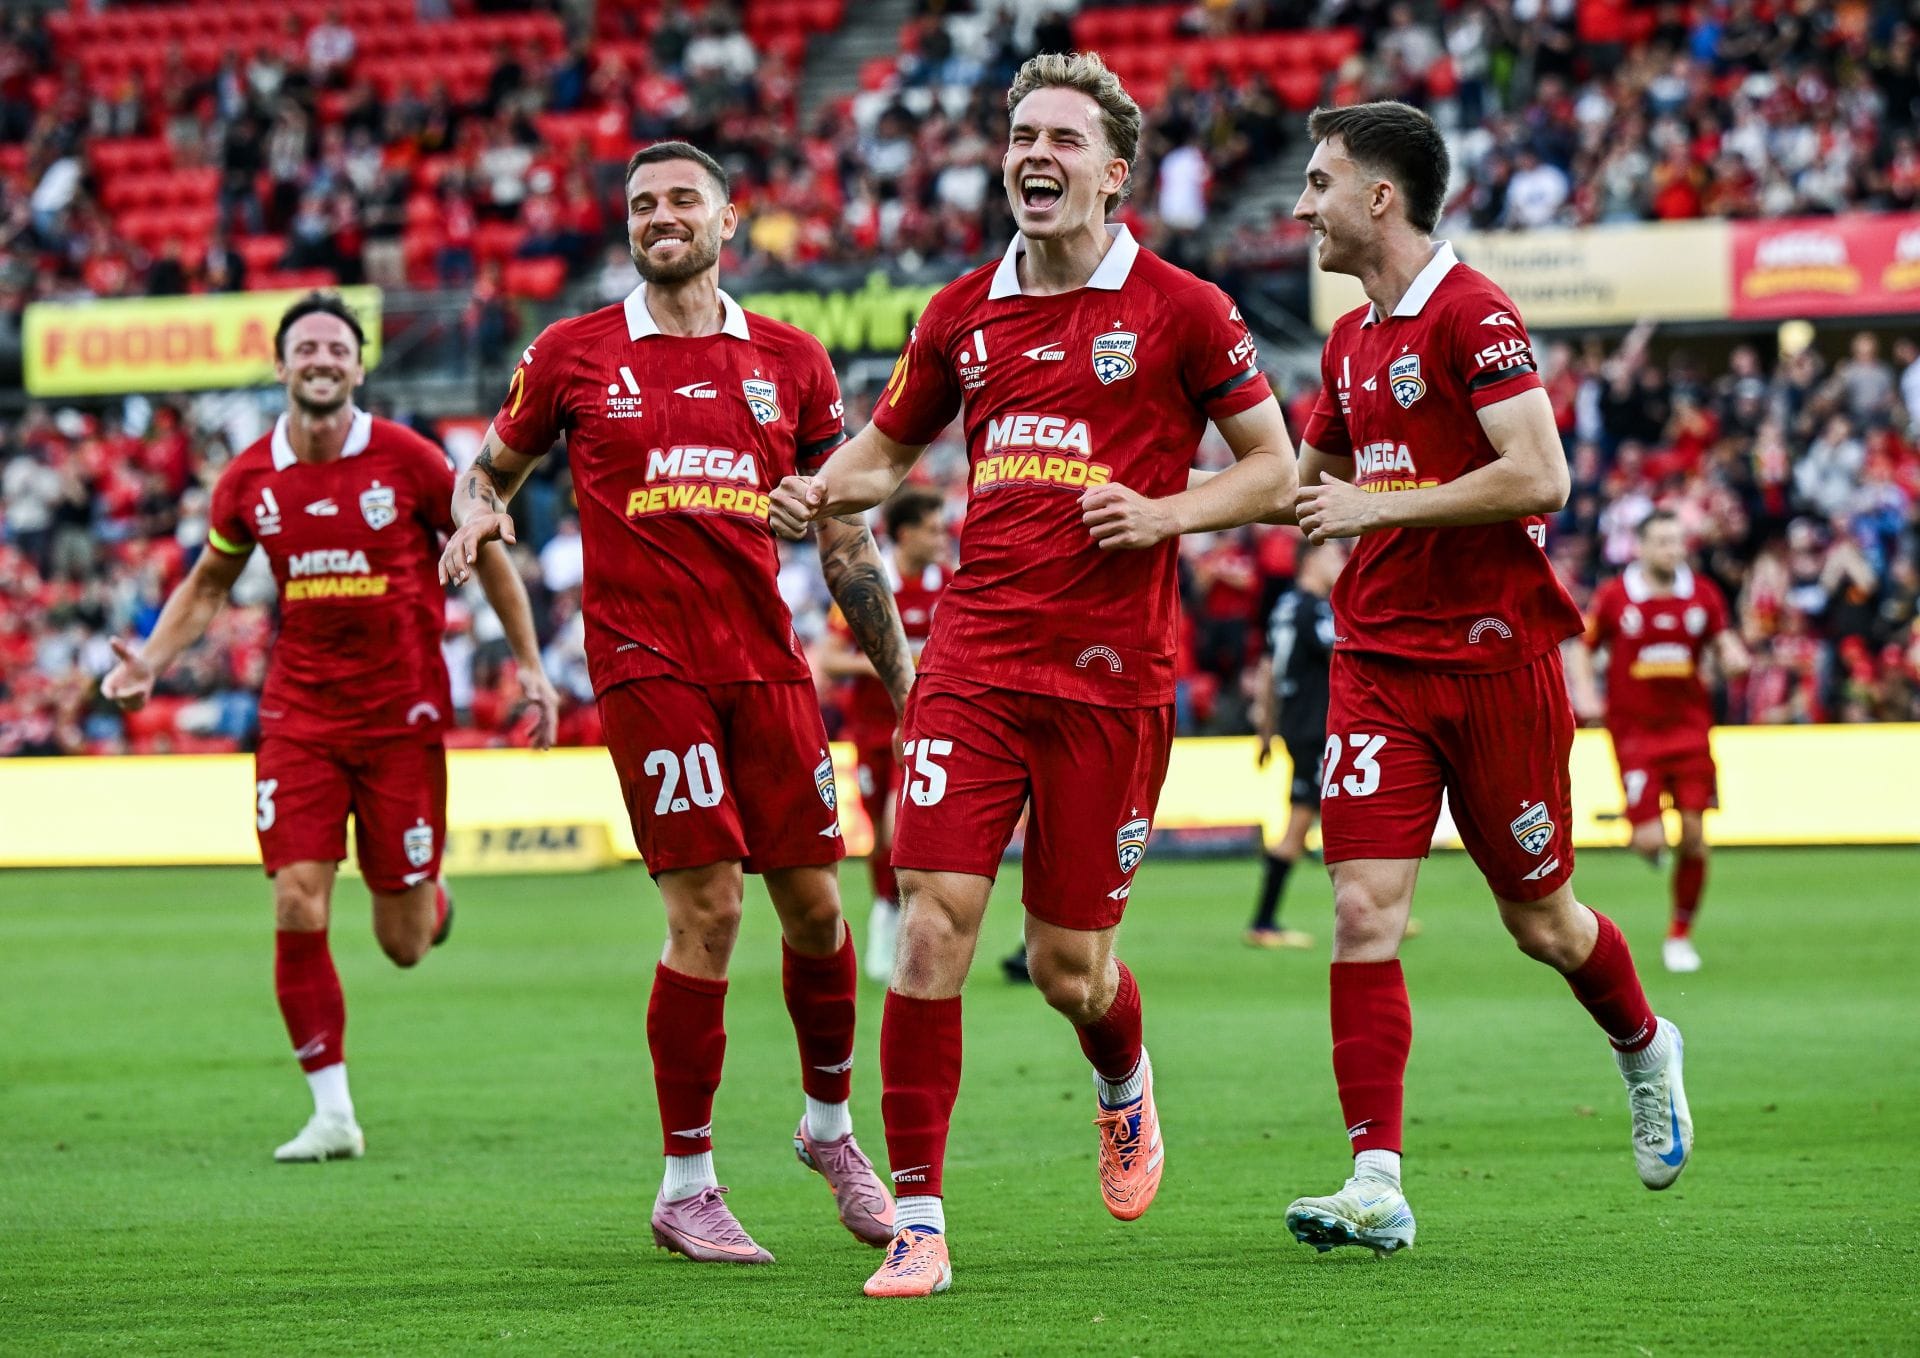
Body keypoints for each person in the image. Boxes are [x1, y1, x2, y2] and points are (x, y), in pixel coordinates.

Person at [769, 53, 1298, 1297]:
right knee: (932, 925)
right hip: (973, 661)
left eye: (1062, 138)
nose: (1034, 155)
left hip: (1112, 679)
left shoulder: (1184, 308)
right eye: (1020, 137)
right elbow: (884, 453)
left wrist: (1166, 512)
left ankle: (1123, 1076)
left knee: (1071, 969)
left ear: (1115, 173)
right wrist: (814, 488)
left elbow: (1276, 471)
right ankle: (920, 1219)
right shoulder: (962, 310)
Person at [438, 141, 914, 1266]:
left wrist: (906, 681)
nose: (661, 215)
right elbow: (487, 468)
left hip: (767, 666)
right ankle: (687, 1184)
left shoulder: (792, 360)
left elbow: (846, 539)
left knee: (818, 910)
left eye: (683, 200)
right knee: (710, 911)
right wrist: (476, 512)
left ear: (727, 220)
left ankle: (830, 1131)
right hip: (647, 665)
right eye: (643, 202)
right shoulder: (570, 352)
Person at [1281, 101, 1693, 1256]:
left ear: (1379, 196)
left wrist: (1378, 505)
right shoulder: (1349, 341)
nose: (1302, 206)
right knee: (1362, 909)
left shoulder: (1475, 312)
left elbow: (1541, 475)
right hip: (1378, 660)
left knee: (1542, 920)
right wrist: (1162, 502)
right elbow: (1303, 484)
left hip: (1495, 660)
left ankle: (1644, 1045)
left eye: (1319, 183)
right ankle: (1376, 1180)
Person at [101, 292, 558, 1163]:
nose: (321, 359)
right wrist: (149, 662)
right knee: (296, 899)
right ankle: (333, 1113)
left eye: (336, 348)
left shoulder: (409, 459)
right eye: (306, 347)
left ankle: (429, 897)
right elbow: (208, 584)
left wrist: (530, 664)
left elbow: (489, 553)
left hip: (401, 717)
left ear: (358, 366)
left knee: (404, 945)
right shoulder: (248, 480)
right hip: (300, 718)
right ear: (281, 366)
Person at [1568, 510, 1750, 972]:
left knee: (1695, 836)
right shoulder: (1616, 597)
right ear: (1642, 547)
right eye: (1663, 542)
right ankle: (1648, 844)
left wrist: (1733, 656)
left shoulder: (1703, 595)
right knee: (1649, 840)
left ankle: (1680, 934)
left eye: (1677, 541)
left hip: (1690, 730)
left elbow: (1723, 641)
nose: (1672, 550)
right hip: (1635, 734)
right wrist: (1585, 692)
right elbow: (1582, 649)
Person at [812, 488, 950, 984]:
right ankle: (884, 914)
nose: (942, 539)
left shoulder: (948, 584)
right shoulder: (871, 582)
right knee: (878, 838)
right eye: (933, 530)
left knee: (898, 828)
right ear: (906, 534)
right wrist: (886, 662)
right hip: (869, 728)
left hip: (920, 728)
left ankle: (905, 926)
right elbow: (828, 658)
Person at [1248, 538, 1347, 949]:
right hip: (1316, 727)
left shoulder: (1285, 607)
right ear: (1312, 559)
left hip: (1294, 725)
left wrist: (1266, 731)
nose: (1340, 562)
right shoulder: (1316, 610)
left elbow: (1267, 670)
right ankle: (1263, 923)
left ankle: (1370, 908)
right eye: (1333, 554)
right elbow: (1343, 661)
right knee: (1304, 825)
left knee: (1336, 819)